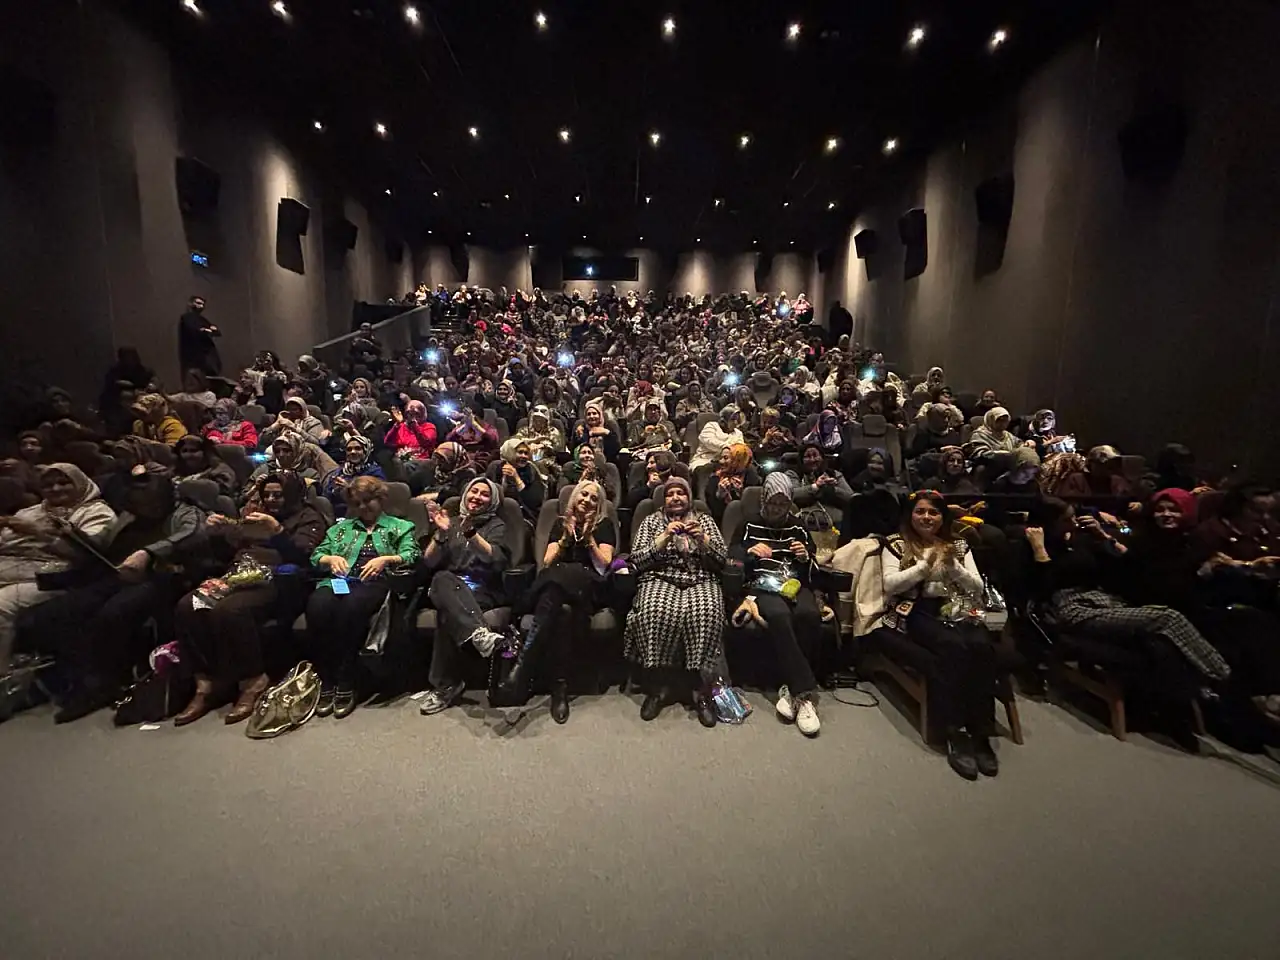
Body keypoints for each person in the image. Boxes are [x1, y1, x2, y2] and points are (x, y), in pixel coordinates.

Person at [18, 468, 206, 722]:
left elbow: (193, 535)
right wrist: (73, 536)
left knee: (113, 614)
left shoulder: (187, 512)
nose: (143, 508)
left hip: (165, 577)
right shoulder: (128, 516)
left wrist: (148, 553)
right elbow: (101, 546)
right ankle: (80, 680)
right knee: (57, 612)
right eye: (138, 502)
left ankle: (105, 683)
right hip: (116, 575)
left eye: (149, 502)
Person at [1024, 496, 1230, 714]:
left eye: (1074, 517)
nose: (1075, 523)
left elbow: (1124, 567)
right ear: (1050, 523)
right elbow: (1040, 589)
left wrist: (1103, 537)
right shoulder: (1035, 546)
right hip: (1071, 607)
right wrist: (1039, 550)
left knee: (1164, 635)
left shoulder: (1080, 541)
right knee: (1168, 617)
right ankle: (1222, 679)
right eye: (1067, 520)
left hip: (1103, 600)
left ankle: (1195, 693)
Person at [171, 473, 326, 726]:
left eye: (278, 495)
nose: (271, 500)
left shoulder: (308, 517)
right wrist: (217, 535)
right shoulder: (253, 514)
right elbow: (229, 554)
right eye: (267, 495)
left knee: (230, 610)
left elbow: (305, 556)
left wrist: (277, 531)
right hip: (237, 574)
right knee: (189, 605)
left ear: (292, 495)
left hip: (277, 579)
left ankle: (254, 679)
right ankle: (206, 683)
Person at [873, 492, 997, 779]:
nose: (926, 518)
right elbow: (890, 585)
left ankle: (981, 732)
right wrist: (924, 566)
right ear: (910, 515)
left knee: (981, 645)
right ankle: (954, 731)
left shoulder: (959, 545)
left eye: (933, 513)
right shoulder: (896, 543)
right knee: (951, 647)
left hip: (958, 607)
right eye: (920, 512)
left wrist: (953, 567)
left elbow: (977, 587)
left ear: (943, 517)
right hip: (916, 610)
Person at [501, 479, 617, 723]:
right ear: (574, 497)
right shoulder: (560, 523)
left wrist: (589, 539)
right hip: (557, 586)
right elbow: (547, 561)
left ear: (599, 505)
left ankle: (523, 664)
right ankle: (559, 688)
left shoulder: (604, 525)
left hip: (588, 583)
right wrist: (565, 537)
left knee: (560, 578)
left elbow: (604, 564)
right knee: (561, 608)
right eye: (583, 494)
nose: (587, 500)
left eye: (593, 498)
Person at [308, 476, 421, 719]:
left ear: (380, 499)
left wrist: (386, 559)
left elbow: (412, 554)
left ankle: (347, 678)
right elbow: (316, 556)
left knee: (350, 608)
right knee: (317, 606)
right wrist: (330, 559)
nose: (362, 507)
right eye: (357, 503)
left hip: (376, 582)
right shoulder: (340, 529)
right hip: (340, 581)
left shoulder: (400, 526)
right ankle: (326, 678)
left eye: (368, 501)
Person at [624, 476, 727, 726]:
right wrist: (663, 538)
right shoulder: (651, 521)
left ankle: (700, 689)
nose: (675, 498)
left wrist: (703, 539)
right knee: (655, 610)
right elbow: (637, 559)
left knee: (707, 611)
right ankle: (658, 685)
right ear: (664, 500)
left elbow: (722, 559)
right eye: (670, 494)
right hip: (660, 577)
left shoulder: (704, 520)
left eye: (681, 493)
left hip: (700, 577)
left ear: (689, 498)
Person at [730, 472, 822, 736]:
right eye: (772, 503)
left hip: (793, 583)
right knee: (779, 615)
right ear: (764, 499)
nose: (777, 509)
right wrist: (749, 553)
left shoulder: (798, 526)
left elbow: (812, 565)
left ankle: (788, 688)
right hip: (761, 584)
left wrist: (804, 557)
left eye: (783, 504)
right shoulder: (748, 524)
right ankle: (803, 693)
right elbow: (732, 560)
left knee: (808, 614)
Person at [0, 464, 118, 666]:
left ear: (80, 482)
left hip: (55, 576)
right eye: (48, 485)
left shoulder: (97, 513)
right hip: (10, 566)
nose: (55, 489)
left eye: (63, 483)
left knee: (1, 605)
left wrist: (35, 532)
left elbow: (87, 555)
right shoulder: (30, 511)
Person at [418, 478, 511, 715]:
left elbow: (493, 557)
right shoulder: (449, 522)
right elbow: (429, 561)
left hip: (481, 589)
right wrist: (440, 534)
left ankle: (445, 686)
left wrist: (470, 532)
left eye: (484, 494)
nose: (477, 497)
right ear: (465, 494)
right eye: (473, 491)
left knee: (446, 613)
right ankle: (480, 634)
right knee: (441, 578)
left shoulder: (497, 525)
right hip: (447, 586)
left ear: (492, 501)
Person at [244, 434, 337, 493]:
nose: (281, 455)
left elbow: (313, 500)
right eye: (277, 451)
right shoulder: (264, 469)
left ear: (297, 451)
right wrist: (255, 488)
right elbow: (242, 499)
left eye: (286, 450)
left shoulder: (310, 474)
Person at [319, 435, 386, 517]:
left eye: (358, 448)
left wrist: (349, 489)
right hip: (335, 513)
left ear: (366, 451)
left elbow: (376, 498)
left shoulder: (375, 472)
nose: (353, 452)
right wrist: (334, 491)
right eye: (349, 449)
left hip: (363, 513)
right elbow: (326, 495)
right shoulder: (340, 472)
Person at [496, 440, 546, 524]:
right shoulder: (496, 467)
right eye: (520, 452)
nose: (524, 456)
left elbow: (534, 502)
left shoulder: (531, 470)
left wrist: (517, 478)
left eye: (526, 453)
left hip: (525, 516)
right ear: (509, 452)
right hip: (497, 515)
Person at [709, 441, 758, 525]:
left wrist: (741, 493)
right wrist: (719, 495)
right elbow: (712, 512)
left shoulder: (751, 477)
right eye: (721, 458)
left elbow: (753, 510)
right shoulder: (715, 478)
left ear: (738, 460)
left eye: (725, 458)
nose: (721, 461)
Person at [173, 434, 238, 497]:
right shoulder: (175, 471)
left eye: (193, 450)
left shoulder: (221, 471)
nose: (188, 455)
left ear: (206, 452)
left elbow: (221, 494)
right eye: (184, 451)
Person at [410, 441, 476, 502]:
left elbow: (458, 493)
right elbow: (413, 487)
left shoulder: (467, 474)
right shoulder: (430, 467)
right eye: (436, 458)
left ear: (454, 460)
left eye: (442, 459)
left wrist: (435, 496)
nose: (437, 462)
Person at [259, 396, 331, 448]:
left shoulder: (313, 422)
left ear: (302, 410)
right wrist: (276, 425)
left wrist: (294, 428)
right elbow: (262, 441)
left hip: (303, 453)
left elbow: (315, 444)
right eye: (289, 409)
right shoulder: (284, 422)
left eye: (295, 409)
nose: (291, 412)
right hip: (280, 450)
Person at [689, 405, 744, 471]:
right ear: (723, 421)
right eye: (733, 419)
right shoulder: (711, 426)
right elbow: (709, 442)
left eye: (737, 420)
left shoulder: (738, 433)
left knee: (748, 469)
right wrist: (728, 447)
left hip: (729, 462)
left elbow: (741, 448)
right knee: (705, 470)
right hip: (706, 460)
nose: (735, 422)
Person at [178, 295, 221, 377]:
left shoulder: (202, 320)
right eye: (198, 303)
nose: (201, 306)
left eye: (202, 304)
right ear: (191, 304)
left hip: (205, 358)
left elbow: (217, 332)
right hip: (194, 358)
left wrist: (212, 330)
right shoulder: (186, 318)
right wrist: (205, 330)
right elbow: (193, 329)